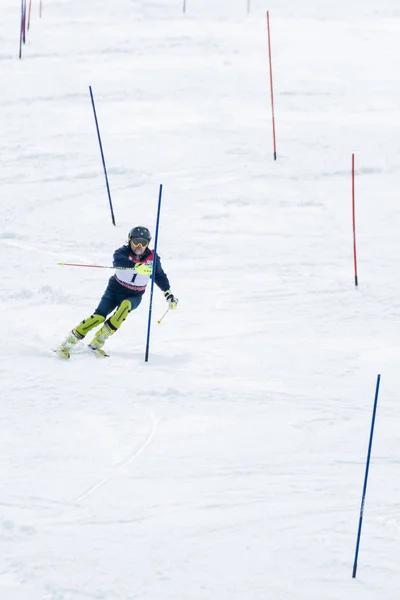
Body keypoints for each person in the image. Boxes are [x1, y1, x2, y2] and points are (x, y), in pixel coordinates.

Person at [56, 226, 178, 359]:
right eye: (135, 241)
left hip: (134, 295)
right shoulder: (122, 252)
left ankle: (98, 341)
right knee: (99, 317)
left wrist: (168, 293)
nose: (139, 246)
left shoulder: (153, 259)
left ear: (148, 243)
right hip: (114, 290)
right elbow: (118, 261)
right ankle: (68, 343)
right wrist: (137, 266)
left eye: (143, 242)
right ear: (129, 241)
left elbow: (159, 276)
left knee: (125, 307)